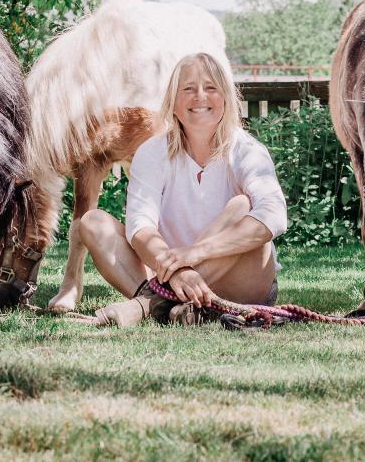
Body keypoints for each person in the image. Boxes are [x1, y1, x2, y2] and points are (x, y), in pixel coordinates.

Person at [75, 52, 287, 326]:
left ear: (226, 99)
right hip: (171, 275)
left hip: (244, 282)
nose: (200, 96)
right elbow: (140, 228)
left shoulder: (248, 150)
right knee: (92, 222)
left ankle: (148, 305)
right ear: (172, 103)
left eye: (211, 87)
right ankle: (181, 308)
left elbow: (274, 216)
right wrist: (178, 271)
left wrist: (196, 253)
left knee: (242, 206)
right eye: (188, 89)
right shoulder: (152, 152)